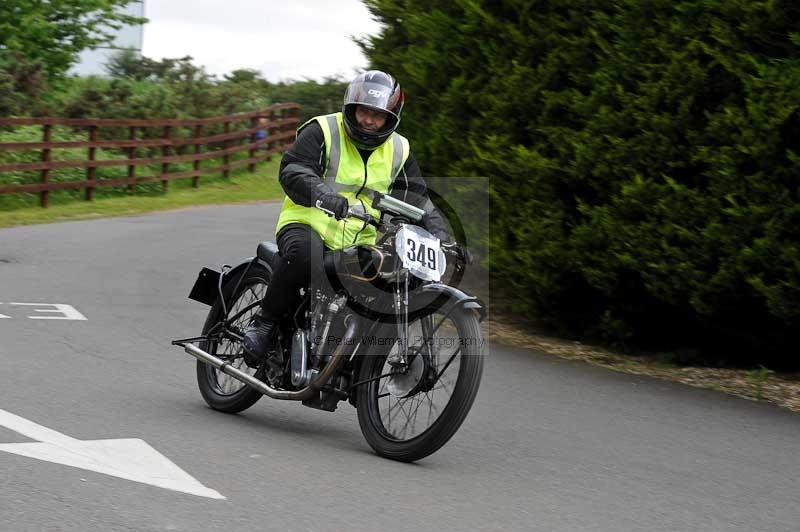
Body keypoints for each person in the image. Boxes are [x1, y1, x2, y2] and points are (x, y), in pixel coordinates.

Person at [243, 70, 450, 360]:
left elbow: (417, 199)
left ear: (391, 119)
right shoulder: (323, 130)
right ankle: (264, 323)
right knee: (306, 256)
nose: (369, 121)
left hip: (359, 239)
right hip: (306, 222)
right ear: (351, 108)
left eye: (378, 116)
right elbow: (294, 169)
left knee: (383, 283)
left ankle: (349, 359)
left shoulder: (399, 149)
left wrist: (441, 236)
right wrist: (323, 194)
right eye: (364, 111)